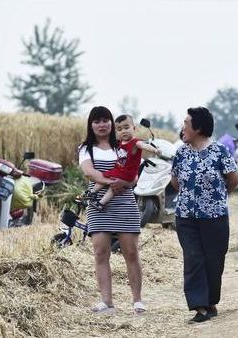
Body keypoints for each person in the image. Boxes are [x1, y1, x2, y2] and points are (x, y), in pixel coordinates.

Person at [171, 107, 238, 324]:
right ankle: (199, 306)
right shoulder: (181, 152)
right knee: (193, 258)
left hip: (215, 215)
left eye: (186, 123)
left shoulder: (220, 151)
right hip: (186, 216)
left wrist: (216, 196)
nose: (183, 127)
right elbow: (175, 181)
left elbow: (234, 180)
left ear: (198, 127)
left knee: (214, 259)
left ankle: (210, 301)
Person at [78, 106, 146, 315]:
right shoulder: (85, 148)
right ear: (91, 125)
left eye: (105, 120)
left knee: (131, 252)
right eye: (97, 121)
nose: (102, 125)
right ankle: (106, 302)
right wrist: (114, 181)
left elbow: (134, 176)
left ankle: (137, 301)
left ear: (112, 124)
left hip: (124, 201)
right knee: (101, 252)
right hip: (99, 204)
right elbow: (90, 173)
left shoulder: (125, 146)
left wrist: (123, 183)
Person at [86, 114, 161, 211]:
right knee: (105, 176)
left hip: (128, 172)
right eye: (120, 129)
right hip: (119, 169)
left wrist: (155, 150)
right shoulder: (120, 143)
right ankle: (92, 193)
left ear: (134, 128)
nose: (124, 131)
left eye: (126, 127)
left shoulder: (135, 142)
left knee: (112, 186)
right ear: (116, 131)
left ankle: (100, 201)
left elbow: (144, 146)